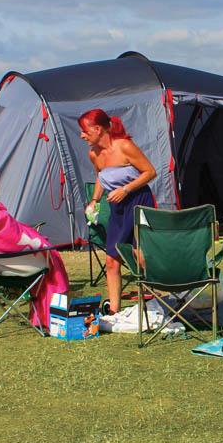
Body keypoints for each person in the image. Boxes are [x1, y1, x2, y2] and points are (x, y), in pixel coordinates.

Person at [0, 165, 70, 332]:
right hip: (5, 267)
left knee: (47, 257)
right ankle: (53, 318)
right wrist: (43, 245)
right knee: (51, 259)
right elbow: (19, 239)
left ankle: (42, 316)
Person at [79, 109, 156, 314]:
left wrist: (126, 189)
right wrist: (94, 201)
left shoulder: (124, 146)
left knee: (140, 255)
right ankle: (113, 310)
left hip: (138, 201)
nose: (82, 135)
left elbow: (150, 172)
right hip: (118, 206)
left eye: (84, 130)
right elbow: (101, 177)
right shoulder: (93, 154)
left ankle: (156, 299)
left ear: (98, 129)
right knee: (112, 258)